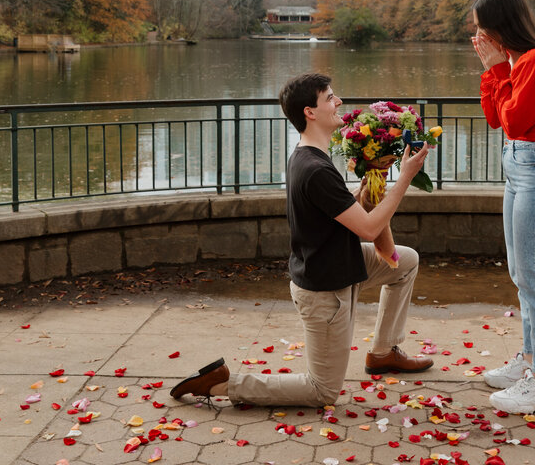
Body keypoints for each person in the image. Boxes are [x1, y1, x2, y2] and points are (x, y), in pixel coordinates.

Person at [170, 72, 434, 407]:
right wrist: (405, 178)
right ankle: (223, 384)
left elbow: (342, 209)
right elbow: (368, 229)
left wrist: (373, 178)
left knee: (405, 262)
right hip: (325, 291)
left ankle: (383, 352)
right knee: (322, 391)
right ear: (310, 112)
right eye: (330, 98)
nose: (338, 102)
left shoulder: (309, 156)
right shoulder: (315, 169)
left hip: (339, 261)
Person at [470, 0, 535, 414]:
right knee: (521, 273)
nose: (478, 38)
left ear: (499, 26)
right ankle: (530, 363)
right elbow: (495, 119)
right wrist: (495, 70)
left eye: (481, 30)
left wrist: (499, 70)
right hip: (518, 167)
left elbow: (515, 119)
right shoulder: (516, 63)